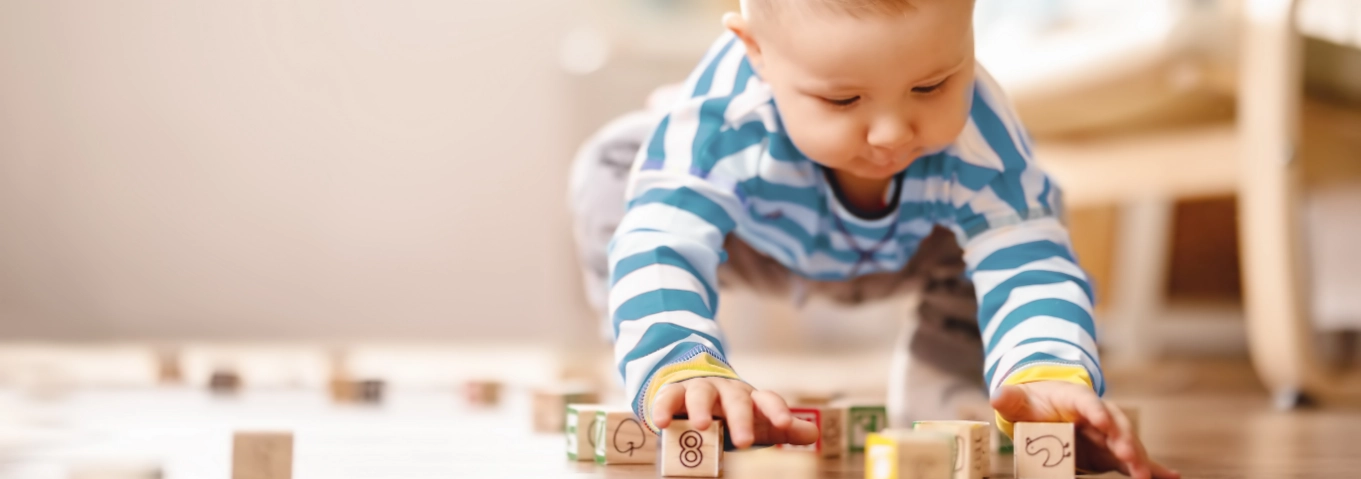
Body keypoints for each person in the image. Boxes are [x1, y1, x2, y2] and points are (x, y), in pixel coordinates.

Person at [569, 1, 1177, 477]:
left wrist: (1051, 371)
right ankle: (659, 368)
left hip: (915, 249)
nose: (891, 133)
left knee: (1031, 213)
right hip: (752, 242)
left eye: (931, 85)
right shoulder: (720, 120)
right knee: (612, 166)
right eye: (842, 98)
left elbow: (1028, 261)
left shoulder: (981, 137)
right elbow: (662, 240)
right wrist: (679, 362)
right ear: (757, 53)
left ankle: (958, 391)